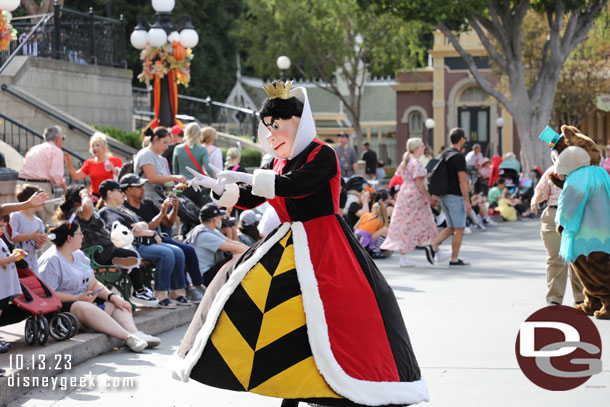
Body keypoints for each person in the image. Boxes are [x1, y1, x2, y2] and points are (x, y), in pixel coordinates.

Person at [174, 81, 428, 407]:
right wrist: (219, 188)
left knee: (339, 313)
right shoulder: (277, 161)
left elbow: (297, 186)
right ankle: (288, 387)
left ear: (298, 123)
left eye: (276, 127)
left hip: (325, 242)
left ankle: (355, 386)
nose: (270, 135)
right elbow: (251, 197)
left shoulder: (323, 154)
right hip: (288, 240)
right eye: (267, 128)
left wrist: (249, 178)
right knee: (240, 288)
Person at [38, 220, 160, 352]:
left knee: (118, 303)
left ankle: (135, 333)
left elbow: (93, 283)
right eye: (80, 233)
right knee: (82, 306)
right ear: (69, 238)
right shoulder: (51, 260)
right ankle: (128, 338)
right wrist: (77, 298)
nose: (83, 236)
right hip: (61, 310)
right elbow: (48, 294)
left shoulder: (79, 255)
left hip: (83, 300)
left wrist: (113, 297)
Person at [54, 185, 158, 308]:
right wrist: (84, 194)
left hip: (106, 248)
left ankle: (138, 289)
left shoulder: (78, 212)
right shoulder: (76, 211)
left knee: (131, 252)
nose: (90, 195)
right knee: (132, 255)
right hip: (97, 252)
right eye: (86, 194)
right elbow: (87, 207)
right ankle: (138, 290)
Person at [97, 180, 190, 308]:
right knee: (166, 253)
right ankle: (161, 294)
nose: (122, 193)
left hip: (142, 243)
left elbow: (144, 224)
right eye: (119, 191)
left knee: (178, 251)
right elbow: (126, 233)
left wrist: (144, 227)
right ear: (110, 193)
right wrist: (151, 233)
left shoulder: (123, 210)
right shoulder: (106, 212)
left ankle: (175, 291)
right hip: (131, 247)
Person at [120, 173, 206, 304]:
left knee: (185, 250)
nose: (142, 188)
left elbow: (168, 223)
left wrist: (175, 208)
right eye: (138, 186)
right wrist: (161, 213)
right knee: (171, 253)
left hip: (156, 239)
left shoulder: (148, 203)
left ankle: (186, 288)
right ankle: (166, 292)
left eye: (142, 185)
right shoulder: (125, 210)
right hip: (142, 242)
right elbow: (145, 230)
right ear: (127, 190)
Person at [531, 166, 585, 306]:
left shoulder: (585, 171)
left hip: (578, 215)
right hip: (554, 215)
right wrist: (535, 200)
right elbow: (541, 190)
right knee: (555, 258)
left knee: (578, 258)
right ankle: (554, 299)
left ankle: (582, 299)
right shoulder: (552, 170)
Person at [381, 138, 439, 267]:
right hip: (415, 196)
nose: (424, 148)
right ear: (417, 147)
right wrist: (429, 198)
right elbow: (419, 184)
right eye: (422, 146)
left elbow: (401, 176)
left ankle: (405, 256)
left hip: (404, 194)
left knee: (405, 224)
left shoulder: (406, 161)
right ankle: (435, 249)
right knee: (428, 221)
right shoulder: (415, 163)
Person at [428, 128, 470, 266]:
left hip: (443, 196)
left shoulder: (444, 154)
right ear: (462, 139)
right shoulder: (458, 157)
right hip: (455, 196)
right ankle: (454, 258)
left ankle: (432, 245)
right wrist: (467, 201)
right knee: (459, 229)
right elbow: (462, 181)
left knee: (452, 227)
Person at [184, 203, 249, 286]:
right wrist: (255, 254)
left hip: (208, 271)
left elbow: (233, 242)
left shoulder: (209, 230)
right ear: (214, 220)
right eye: (220, 218)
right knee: (237, 256)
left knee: (240, 255)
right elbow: (236, 249)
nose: (221, 220)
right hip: (202, 277)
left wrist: (253, 250)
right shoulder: (204, 235)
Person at [18, 125, 67, 225]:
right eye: (63, 138)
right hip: (41, 187)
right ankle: (46, 241)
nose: (63, 141)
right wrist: (64, 186)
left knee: (25, 220)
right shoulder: (56, 151)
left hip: (21, 185)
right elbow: (56, 175)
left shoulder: (34, 148)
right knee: (46, 221)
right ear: (57, 138)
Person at [64, 132, 122, 202]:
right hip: (95, 198)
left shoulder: (115, 161)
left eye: (97, 145)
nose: (95, 148)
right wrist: (69, 163)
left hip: (111, 198)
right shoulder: (89, 163)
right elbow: (76, 176)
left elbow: (121, 177)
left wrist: (113, 169)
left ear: (104, 146)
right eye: (93, 146)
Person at [135, 127, 186, 201]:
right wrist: (174, 177)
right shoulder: (146, 154)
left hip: (160, 200)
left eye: (168, 143)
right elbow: (152, 178)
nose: (166, 147)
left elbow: (165, 183)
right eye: (165, 142)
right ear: (156, 139)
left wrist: (176, 190)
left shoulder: (159, 157)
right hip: (148, 200)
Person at [9, 185, 46, 274]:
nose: (44, 202)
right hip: (18, 263)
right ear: (30, 199)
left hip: (33, 264)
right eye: (40, 198)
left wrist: (40, 243)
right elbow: (12, 236)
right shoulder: (16, 216)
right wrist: (32, 236)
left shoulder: (38, 221)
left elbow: (37, 247)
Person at [0, 214, 22, 354]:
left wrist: (14, 255)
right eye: (0, 226)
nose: (2, 229)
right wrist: (10, 259)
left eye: (3, 226)